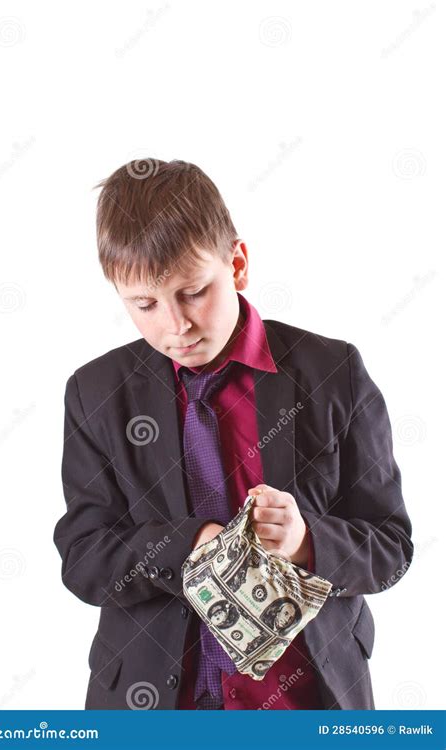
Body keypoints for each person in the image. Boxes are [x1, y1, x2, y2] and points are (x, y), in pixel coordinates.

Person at [53, 158, 414, 710]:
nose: (176, 326)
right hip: (152, 706)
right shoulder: (95, 392)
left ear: (237, 263)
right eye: (144, 305)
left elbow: (390, 548)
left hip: (306, 703)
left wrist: (306, 541)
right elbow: (84, 560)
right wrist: (187, 545)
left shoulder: (333, 372)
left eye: (194, 291)